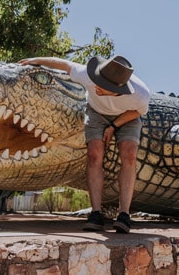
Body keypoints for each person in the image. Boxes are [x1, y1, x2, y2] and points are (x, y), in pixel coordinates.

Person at [19, 54, 150, 233]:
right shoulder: (88, 74)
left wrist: (113, 126)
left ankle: (124, 215)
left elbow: (137, 112)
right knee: (94, 154)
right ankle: (96, 213)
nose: (96, 86)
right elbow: (64, 64)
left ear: (118, 88)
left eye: (103, 86)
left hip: (126, 116)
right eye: (97, 80)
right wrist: (35, 61)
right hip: (96, 113)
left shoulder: (140, 94)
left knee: (130, 154)